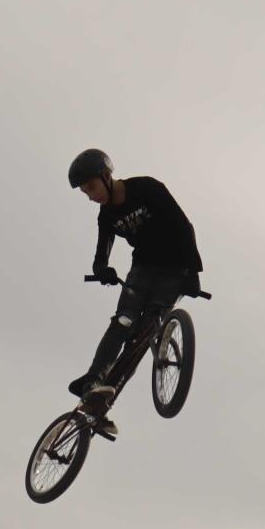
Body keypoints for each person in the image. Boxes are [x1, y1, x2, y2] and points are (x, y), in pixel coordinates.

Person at [64, 148, 205, 439]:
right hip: (142, 270)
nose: (90, 195)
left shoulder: (147, 189)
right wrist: (102, 268)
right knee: (124, 322)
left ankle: (106, 395)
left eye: (91, 187)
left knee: (140, 341)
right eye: (84, 192)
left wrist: (194, 272)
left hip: (174, 270)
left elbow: (184, 226)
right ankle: (95, 388)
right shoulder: (106, 215)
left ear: (106, 176)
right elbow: (102, 249)